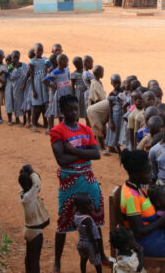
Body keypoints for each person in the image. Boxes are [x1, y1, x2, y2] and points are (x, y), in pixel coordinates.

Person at [49, 94, 106, 273]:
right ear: (63, 111)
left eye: (76, 109)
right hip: (69, 182)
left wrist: (73, 150)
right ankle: (57, 262)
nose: (74, 112)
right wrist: (84, 152)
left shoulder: (85, 129)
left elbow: (97, 154)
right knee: (63, 220)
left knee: (96, 217)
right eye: (70, 110)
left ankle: (102, 254)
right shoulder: (57, 131)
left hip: (87, 179)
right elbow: (61, 160)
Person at [18, 164, 50, 273]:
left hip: (28, 230)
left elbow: (34, 184)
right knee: (35, 260)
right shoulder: (29, 196)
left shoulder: (23, 194)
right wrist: (31, 170)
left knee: (29, 259)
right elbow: (36, 183)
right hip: (35, 232)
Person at [73, 193, 103, 273]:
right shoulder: (88, 219)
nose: (92, 206)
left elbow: (75, 225)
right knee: (97, 262)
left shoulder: (76, 216)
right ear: (84, 207)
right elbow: (90, 234)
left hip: (81, 243)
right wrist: (96, 245)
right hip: (90, 244)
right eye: (90, 204)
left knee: (83, 260)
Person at [43, 54, 73, 132]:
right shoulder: (55, 72)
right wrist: (52, 86)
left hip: (66, 93)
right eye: (67, 61)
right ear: (62, 62)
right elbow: (44, 80)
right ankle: (51, 128)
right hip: (59, 94)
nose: (67, 63)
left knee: (63, 111)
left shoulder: (66, 70)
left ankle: (62, 128)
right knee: (56, 110)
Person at [105, 74, 128, 155]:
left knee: (120, 132)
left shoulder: (123, 92)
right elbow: (110, 109)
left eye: (119, 83)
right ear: (111, 83)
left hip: (122, 117)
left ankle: (115, 146)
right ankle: (114, 148)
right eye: (115, 83)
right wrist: (110, 121)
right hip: (115, 117)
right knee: (114, 132)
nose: (117, 85)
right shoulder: (111, 95)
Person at [29, 43, 49, 132]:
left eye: (41, 50)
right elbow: (31, 76)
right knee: (35, 105)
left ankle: (46, 123)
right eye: (38, 51)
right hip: (36, 84)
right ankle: (33, 124)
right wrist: (33, 90)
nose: (40, 52)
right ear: (34, 51)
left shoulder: (45, 60)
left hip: (44, 84)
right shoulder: (32, 61)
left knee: (44, 104)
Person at [5, 51, 27, 125]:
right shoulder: (10, 66)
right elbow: (10, 77)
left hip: (21, 87)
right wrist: (9, 68)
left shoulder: (23, 65)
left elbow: (26, 74)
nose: (15, 59)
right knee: (11, 103)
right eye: (13, 57)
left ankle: (24, 120)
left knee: (22, 102)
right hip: (11, 87)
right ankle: (13, 119)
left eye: (17, 57)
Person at [70, 56, 88, 125]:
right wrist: (73, 96)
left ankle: (88, 128)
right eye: (77, 64)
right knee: (77, 111)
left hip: (85, 93)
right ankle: (75, 126)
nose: (79, 65)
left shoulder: (85, 72)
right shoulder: (74, 74)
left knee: (86, 111)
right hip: (78, 94)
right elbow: (72, 86)